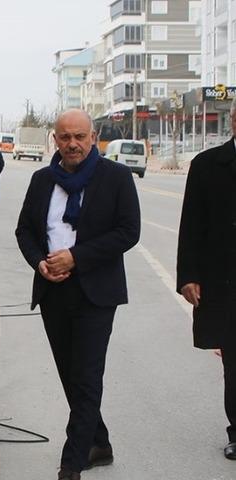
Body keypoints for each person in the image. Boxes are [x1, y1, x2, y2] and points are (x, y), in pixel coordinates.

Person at [16, 109, 140, 480]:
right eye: (65, 137)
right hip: (53, 292)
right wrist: (40, 262)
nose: (72, 144)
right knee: (70, 375)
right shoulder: (42, 180)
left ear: (93, 137)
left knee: (86, 376)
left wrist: (76, 258)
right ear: (55, 140)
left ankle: (72, 464)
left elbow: (128, 232)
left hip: (95, 294)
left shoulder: (115, 177)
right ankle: (98, 442)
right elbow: (25, 231)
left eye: (80, 137)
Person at [177, 99, 236, 461]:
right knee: (234, 361)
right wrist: (188, 276)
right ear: (233, 120)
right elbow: (191, 226)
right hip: (225, 281)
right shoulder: (207, 166)